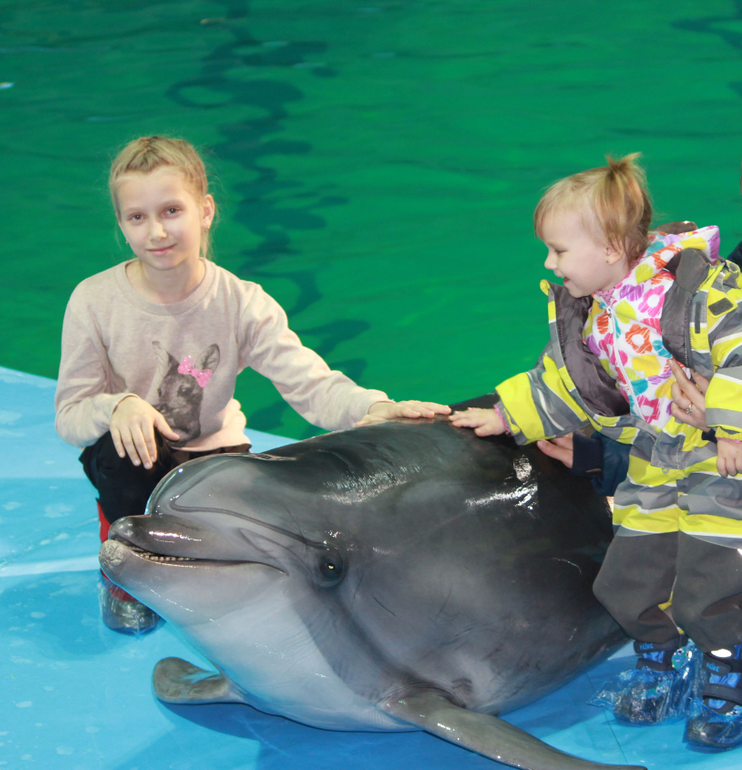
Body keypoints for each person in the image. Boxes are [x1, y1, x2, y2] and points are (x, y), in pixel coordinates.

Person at [55, 135, 450, 636]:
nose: (157, 231)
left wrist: (372, 408)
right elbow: (70, 415)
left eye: (172, 210)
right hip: (135, 463)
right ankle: (124, 573)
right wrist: (116, 407)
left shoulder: (241, 302)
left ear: (205, 210)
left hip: (215, 461)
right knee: (124, 447)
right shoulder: (94, 301)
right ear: (121, 223)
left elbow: (310, 383)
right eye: (138, 217)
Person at [449, 154, 742, 750]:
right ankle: (662, 657)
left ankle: (726, 674)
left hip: (718, 460)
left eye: (558, 250)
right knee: (626, 582)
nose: (549, 263)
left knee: (709, 584)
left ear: (610, 248)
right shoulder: (598, 317)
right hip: (653, 459)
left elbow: (738, 350)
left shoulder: (697, 293)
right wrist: (505, 416)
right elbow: (565, 382)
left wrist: (730, 425)